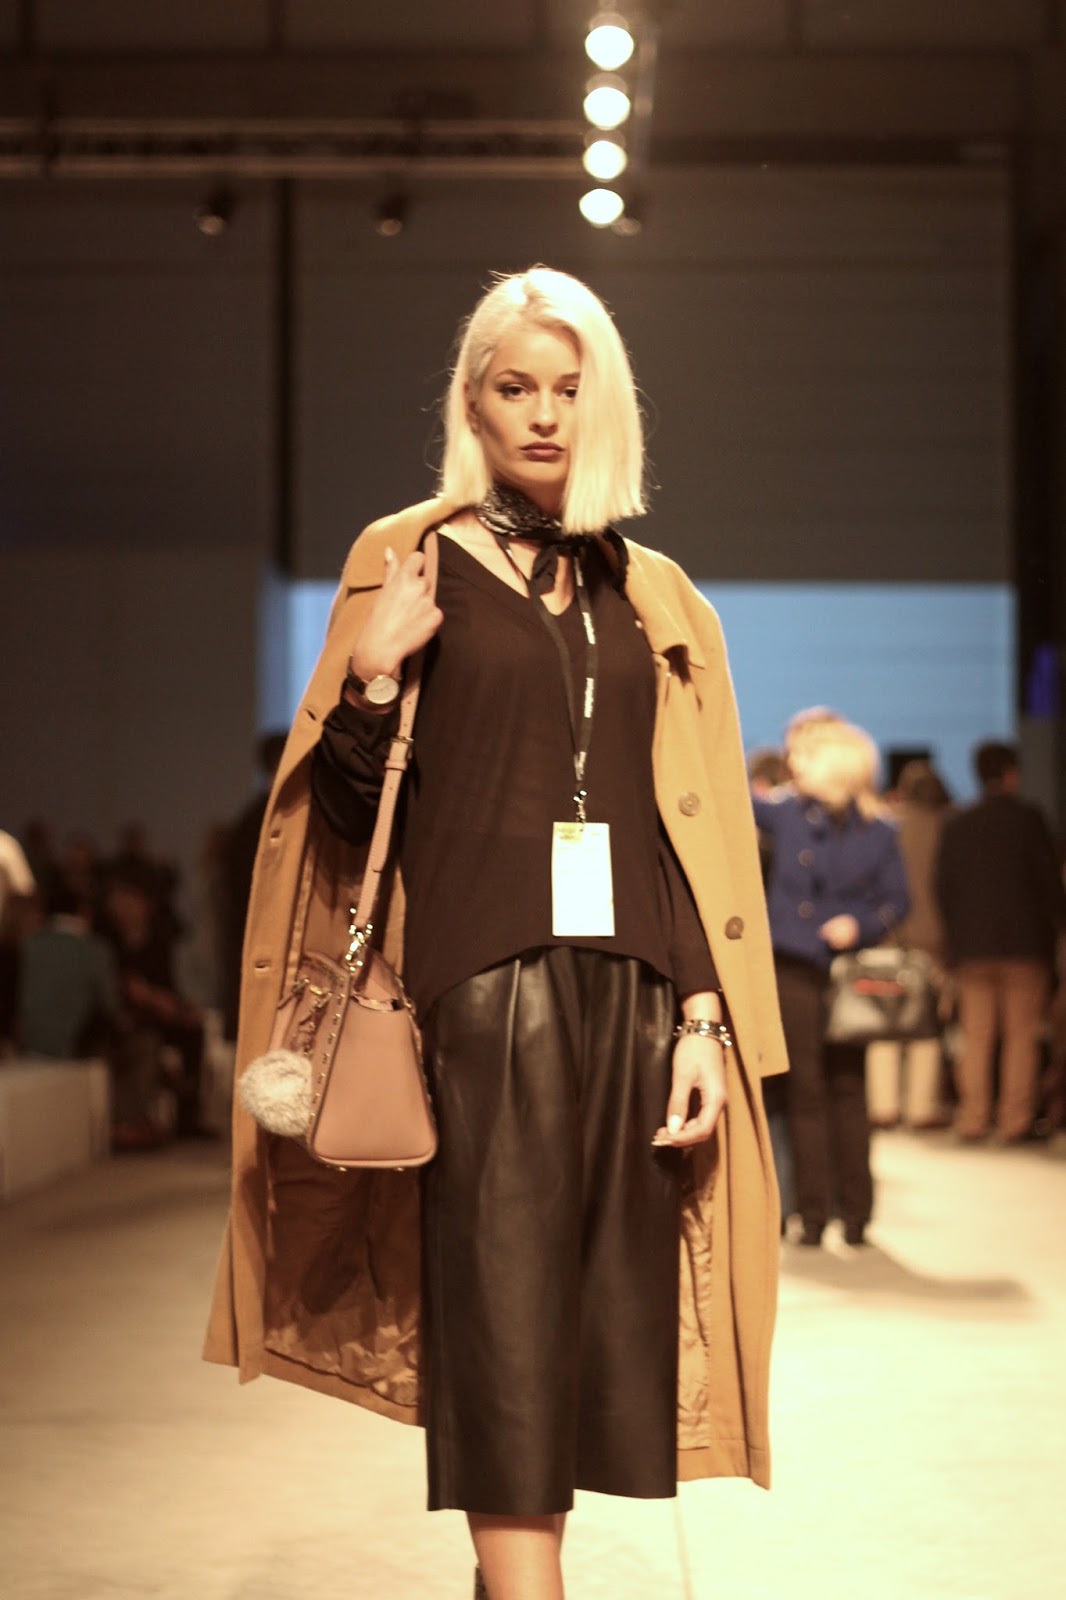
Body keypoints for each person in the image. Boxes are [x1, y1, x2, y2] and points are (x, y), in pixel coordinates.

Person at [204, 266, 787, 1600]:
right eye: (514, 387)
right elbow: (346, 812)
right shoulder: (408, 557)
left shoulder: (650, 591)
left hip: (632, 998)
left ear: (606, 406)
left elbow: (679, 828)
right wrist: (371, 674)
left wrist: (701, 1017)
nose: (541, 414)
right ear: (470, 404)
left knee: (598, 1335)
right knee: (503, 1324)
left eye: (568, 390)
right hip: (480, 995)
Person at [754, 718, 910, 1247]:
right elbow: (725, 798)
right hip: (790, 965)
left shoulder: (880, 830)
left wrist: (858, 925)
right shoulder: (784, 811)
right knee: (805, 1090)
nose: (793, 762)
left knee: (848, 1089)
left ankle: (857, 1213)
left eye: (805, 754)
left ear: (836, 764)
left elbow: (897, 899)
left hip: (846, 975)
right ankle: (813, 1213)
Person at [934, 740, 1066, 1143]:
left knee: (976, 1037)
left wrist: (955, 937)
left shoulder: (958, 824)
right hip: (1025, 946)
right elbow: (1048, 883)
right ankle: (1014, 1120)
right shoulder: (1029, 819)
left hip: (972, 947)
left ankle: (973, 1118)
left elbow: (943, 886)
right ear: (1011, 774)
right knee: (1021, 1037)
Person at [865, 758, 954, 1130]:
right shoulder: (948, 826)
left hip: (888, 935)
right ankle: (921, 1108)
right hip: (934, 938)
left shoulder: (887, 826)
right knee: (925, 1024)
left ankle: (882, 1107)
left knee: (882, 1020)